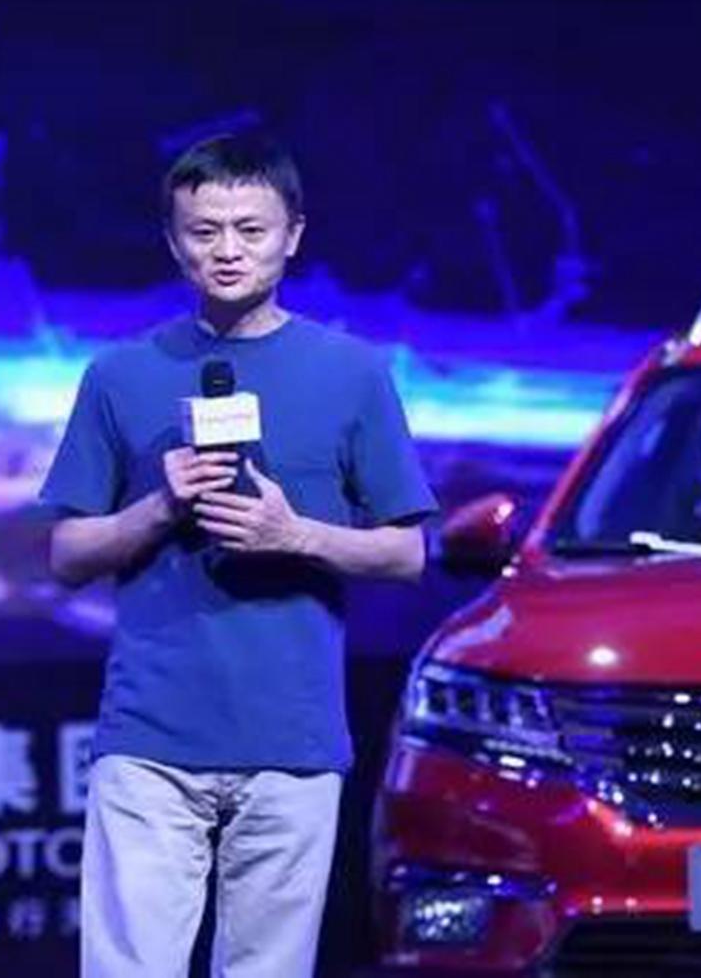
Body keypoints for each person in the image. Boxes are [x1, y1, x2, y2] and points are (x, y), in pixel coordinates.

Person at [38, 131, 436, 978]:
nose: (227, 250)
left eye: (250, 229)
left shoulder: (353, 373)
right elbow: (67, 552)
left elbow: (407, 553)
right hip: (149, 734)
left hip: (292, 737)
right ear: (172, 240)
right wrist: (160, 506)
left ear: (293, 234)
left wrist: (297, 535)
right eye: (204, 230)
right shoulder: (119, 375)